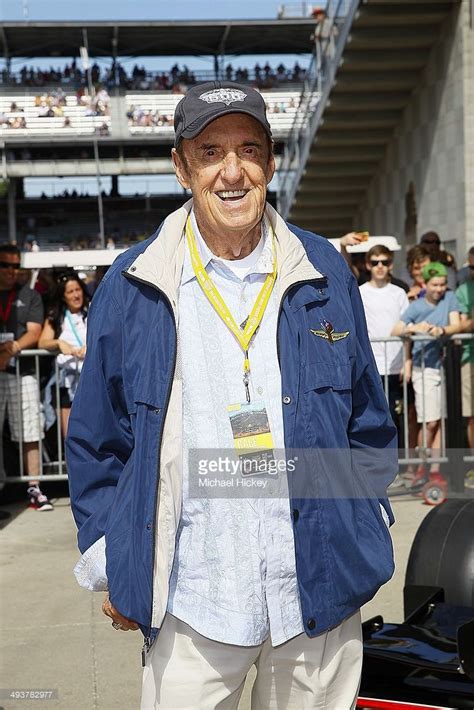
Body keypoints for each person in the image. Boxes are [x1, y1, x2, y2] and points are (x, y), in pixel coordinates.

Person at [67, 81, 397, 709]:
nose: (233, 172)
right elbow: (96, 440)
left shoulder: (323, 269)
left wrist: (364, 522)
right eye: (211, 151)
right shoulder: (135, 283)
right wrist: (116, 560)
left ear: (271, 162)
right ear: (181, 167)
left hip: (316, 595)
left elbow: (367, 421)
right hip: (194, 600)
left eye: (249, 149)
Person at [392, 262, 462, 487]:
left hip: (444, 367)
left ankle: (434, 469)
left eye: (442, 284)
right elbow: (395, 330)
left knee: (439, 421)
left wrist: (441, 331)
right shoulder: (417, 307)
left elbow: (456, 325)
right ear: (425, 284)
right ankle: (422, 465)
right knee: (428, 422)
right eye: (435, 285)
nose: (439, 289)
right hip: (424, 369)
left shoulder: (449, 299)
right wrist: (414, 328)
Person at [0, 244, 50, 511]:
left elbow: (34, 331)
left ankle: (35, 487)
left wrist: (12, 349)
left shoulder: (29, 295)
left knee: (31, 431)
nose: (10, 270)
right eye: (5, 265)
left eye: (14, 265)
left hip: (23, 372)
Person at [359, 245, 409, 449]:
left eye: (385, 262)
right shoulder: (360, 292)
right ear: (367, 265)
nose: (380, 266)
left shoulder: (399, 293)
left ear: (391, 265)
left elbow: (407, 329)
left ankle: (399, 461)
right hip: (371, 365)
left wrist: (408, 362)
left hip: (396, 366)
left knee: (396, 416)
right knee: (373, 415)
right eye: (375, 262)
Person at [38, 273, 88, 437]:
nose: (76, 295)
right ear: (63, 296)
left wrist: (91, 347)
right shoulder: (56, 316)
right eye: (70, 292)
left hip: (90, 378)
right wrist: (59, 343)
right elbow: (43, 342)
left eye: (78, 289)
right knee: (70, 435)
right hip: (66, 382)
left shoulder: (92, 311)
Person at [456, 249, 474, 449]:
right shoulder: (463, 290)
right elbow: (462, 325)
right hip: (469, 357)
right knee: (471, 415)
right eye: (471, 267)